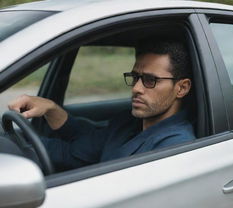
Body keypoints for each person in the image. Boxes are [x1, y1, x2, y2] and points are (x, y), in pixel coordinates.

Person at [8, 40, 195, 171]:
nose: (136, 88)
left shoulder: (175, 147)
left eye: (150, 80)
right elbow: (79, 146)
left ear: (181, 88)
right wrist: (50, 108)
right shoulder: (130, 122)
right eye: (135, 77)